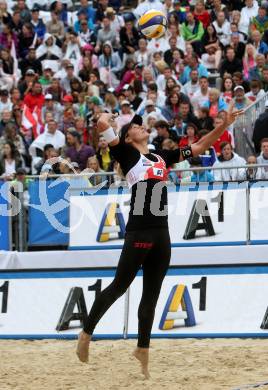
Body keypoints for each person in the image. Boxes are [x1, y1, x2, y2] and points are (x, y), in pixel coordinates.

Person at [76, 106, 243, 376]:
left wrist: (224, 125)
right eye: (137, 126)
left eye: (142, 126)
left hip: (161, 233)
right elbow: (101, 124)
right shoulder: (127, 154)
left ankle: (142, 349)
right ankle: (86, 333)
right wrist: (109, 116)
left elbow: (199, 146)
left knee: (151, 296)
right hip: (139, 231)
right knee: (119, 287)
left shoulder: (161, 156)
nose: (142, 127)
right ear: (129, 137)